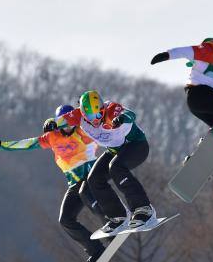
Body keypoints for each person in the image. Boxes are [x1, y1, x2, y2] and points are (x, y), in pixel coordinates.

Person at [0, 105, 108, 262]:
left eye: (70, 121)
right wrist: (2, 144)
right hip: (74, 184)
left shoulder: (84, 132)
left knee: (86, 193)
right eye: (64, 122)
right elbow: (28, 144)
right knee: (65, 219)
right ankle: (96, 250)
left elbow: (102, 125)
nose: (68, 126)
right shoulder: (52, 137)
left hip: (92, 178)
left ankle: (113, 221)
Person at [56, 90, 156, 237]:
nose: (96, 119)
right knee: (93, 179)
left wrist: (121, 119)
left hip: (136, 145)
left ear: (103, 108)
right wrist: (51, 125)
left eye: (99, 113)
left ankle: (144, 209)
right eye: (90, 116)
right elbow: (60, 120)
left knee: (116, 168)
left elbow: (131, 114)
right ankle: (118, 217)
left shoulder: (111, 109)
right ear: (83, 114)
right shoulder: (78, 116)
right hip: (115, 150)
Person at [150, 25, 213, 144]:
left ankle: (207, 150)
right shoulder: (210, 51)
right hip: (199, 95)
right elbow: (187, 51)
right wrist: (167, 54)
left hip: (206, 103)